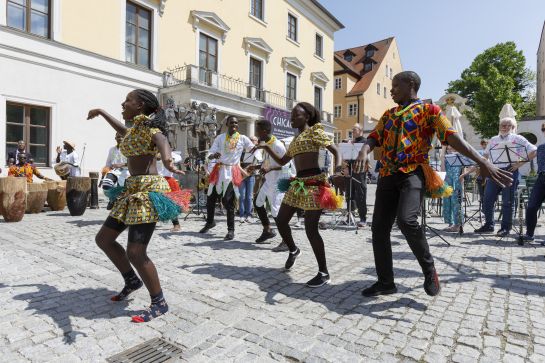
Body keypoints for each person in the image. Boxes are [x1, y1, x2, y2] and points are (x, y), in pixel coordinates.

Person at [354, 71, 512, 297]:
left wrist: (482, 160)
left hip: (414, 172)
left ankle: (429, 270)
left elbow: (451, 136)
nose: (391, 90)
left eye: (395, 85)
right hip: (388, 174)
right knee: (379, 228)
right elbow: (374, 137)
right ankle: (385, 282)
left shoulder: (430, 110)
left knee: (407, 220)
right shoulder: (388, 114)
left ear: (410, 84)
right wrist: (363, 149)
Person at [87, 89, 186, 323]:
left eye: (128, 101)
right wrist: (101, 112)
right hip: (132, 189)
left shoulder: (150, 129)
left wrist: (168, 160)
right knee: (104, 239)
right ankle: (132, 280)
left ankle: (159, 302)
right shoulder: (134, 131)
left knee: (136, 251)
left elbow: (162, 140)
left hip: (147, 191)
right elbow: (122, 131)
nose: (123, 103)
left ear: (140, 105)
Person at [255, 102, 343, 288]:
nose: (291, 118)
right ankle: (293, 249)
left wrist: (340, 168)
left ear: (307, 117)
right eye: (291, 115)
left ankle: (324, 272)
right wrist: (265, 147)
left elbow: (335, 151)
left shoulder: (315, 131)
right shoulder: (295, 140)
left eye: (296, 115)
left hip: (315, 184)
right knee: (280, 220)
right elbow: (283, 160)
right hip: (298, 184)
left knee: (311, 229)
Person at [474, 111, 536, 237]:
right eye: (503, 125)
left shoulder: (518, 138)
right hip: (495, 170)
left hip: (510, 170)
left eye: (509, 125)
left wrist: (519, 164)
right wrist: (484, 166)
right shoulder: (493, 139)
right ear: (499, 127)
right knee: (487, 199)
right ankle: (489, 225)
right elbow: (485, 156)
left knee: (507, 201)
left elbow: (534, 150)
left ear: (513, 127)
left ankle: (505, 228)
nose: (506, 127)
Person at [199, 116, 254, 241]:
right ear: (227, 124)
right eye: (232, 122)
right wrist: (213, 155)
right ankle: (210, 222)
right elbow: (210, 153)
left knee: (228, 201)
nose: (234, 124)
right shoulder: (220, 138)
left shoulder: (243, 138)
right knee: (210, 198)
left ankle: (231, 230)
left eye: (236, 122)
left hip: (232, 171)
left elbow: (254, 150)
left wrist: (257, 160)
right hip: (218, 170)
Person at [253, 120, 287, 244]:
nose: (256, 134)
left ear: (264, 131)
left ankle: (286, 240)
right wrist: (256, 167)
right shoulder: (266, 144)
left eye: (257, 131)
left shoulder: (277, 145)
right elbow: (268, 163)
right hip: (269, 181)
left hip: (279, 182)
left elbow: (287, 166)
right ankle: (267, 230)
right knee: (257, 203)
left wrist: (271, 168)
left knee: (276, 211)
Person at [156, 149, 191, 232]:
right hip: (156, 181)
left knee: (171, 203)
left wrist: (166, 156)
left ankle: (176, 224)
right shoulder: (151, 154)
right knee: (156, 202)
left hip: (168, 181)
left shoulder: (170, 154)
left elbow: (178, 158)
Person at [523, 123, 545, 242]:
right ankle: (529, 234)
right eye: (544, 129)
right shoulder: (540, 148)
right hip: (541, 178)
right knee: (531, 207)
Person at [346, 124, 368, 227]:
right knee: (350, 194)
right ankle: (350, 216)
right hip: (350, 170)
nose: (352, 131)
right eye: (352, 130)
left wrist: (352, 145)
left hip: (360, 171)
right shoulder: (352, 142)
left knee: (361, 194)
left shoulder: (364, 142)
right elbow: (347, 157)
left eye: (354, 129)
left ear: (360, 131)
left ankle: (363, 218)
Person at [101, 133, 130, 209]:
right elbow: (108, 163)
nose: (120, 138)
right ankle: (112, 199)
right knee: (106, 184)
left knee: (125, 191)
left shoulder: (129, 148)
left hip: (127, 172)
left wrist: (122, 164)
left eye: (121, 137)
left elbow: (133, 162)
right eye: (118, 137)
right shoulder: (112, 149)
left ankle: (118, 202)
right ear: (115, 138)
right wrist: (104, 172)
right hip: (114, 171)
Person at [239, 136, 262, 223]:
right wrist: (243, 171)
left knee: (249, 197)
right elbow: (238, 164)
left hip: (251, 176)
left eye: (254, 140)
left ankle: (248, 214)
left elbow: (260, 163)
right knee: (242, 196)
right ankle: (241, 215)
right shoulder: (242, 152)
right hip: (242, 176)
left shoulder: (257, 153)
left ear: (256, 142)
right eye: (250, 140)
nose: (252, 141)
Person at [441, 146, 463, 232]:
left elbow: (464, 168)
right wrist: (443, 153)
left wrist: (463, 176)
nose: (450, 151)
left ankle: (457, 224)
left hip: (456, 182)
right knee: (447, 202)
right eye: (448, 149)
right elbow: (442, 170)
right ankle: (450, 223)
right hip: (447, 181)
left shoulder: (459, 156)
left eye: (452, 148)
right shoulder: (446, 157)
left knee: (456, 202)